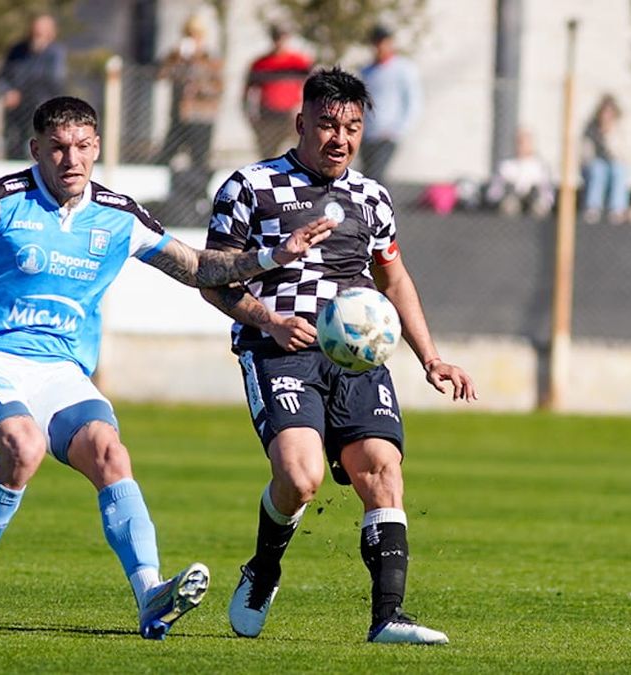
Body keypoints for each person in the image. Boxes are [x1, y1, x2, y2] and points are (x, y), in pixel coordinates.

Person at [0, 96, 336, 640]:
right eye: (57, 148)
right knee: (23, 447)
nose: (71, 159)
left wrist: (271, 257)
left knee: (109, 451)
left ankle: (150, 596)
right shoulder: (0, 201)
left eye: (82, 147)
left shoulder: (119, 215)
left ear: (96, 147)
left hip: (61, 371)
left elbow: (197, 268)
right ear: (35, 149)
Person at [199, 67, 476, 645]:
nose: (340, 139)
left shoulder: (372, 196)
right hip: (279, 349)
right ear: (301, 122)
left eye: (352, 127)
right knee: (300, 479)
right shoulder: (250, 187)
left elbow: (393, 279)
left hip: (357, 356)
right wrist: (270, 321)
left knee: (381, 468)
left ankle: (388, 617)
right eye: (328, 125)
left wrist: (430, 358)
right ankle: (263, 569)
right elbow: (213, 277)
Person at [157, 13, 224, 172]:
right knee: (166, 156)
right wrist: (176, 58)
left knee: (199, 158)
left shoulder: (210, 59)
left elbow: (218, 87)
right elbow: (162, 75)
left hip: (201, 115)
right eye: (189, 35)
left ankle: (198, 184)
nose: (192, 39)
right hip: (179, 115)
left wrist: (199, 87)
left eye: (196, 35)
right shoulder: (178, 57)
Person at [0, 13, 67, 160]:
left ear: (51, 33)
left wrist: (23, 93)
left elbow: (53, 81)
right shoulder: (17, 51)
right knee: (13, 143)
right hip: (16, 108)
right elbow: (3, 76)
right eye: (35, 31)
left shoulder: (55, 54)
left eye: (41, 32)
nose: (37, 36)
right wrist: (8, 91)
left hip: (40, 106)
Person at [359, 24, 421, 184]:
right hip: (367, 135)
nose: (379, 47)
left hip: (387, 135)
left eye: (383, 42)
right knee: (366, 177)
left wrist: (398, 129)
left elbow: (413, 102)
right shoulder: (367, 71)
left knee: (375, 177)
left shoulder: (403, 69)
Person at [243, 23, 313, 159]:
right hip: (268, 118)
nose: (279, 41)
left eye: (282, 37)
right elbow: (247, 92)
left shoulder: (299, 62)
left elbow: (313, 87)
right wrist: (251, 117)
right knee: (268, 158)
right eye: (276, 37)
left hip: (293, 118)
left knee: (305, 155)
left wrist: (305, 111)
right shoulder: (260, 64)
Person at [580, 94, 631, 224]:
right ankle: (593, 208)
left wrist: (608, 137)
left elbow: (624, 155)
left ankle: (617, 210)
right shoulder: (591, 129)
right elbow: (586, 154)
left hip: (616, 165)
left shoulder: (622, 128)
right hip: (596, 167)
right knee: (598, 169)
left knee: (617, 170)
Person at [485, 127, 555, 219]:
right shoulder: (506, 166)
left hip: (534, 207)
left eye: (525, 142)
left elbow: (548, 194)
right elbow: (493, 193)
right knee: (510, 204)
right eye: (519, 142)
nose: (522, 146)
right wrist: (503, 195)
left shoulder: (540, 167)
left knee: (538, 206)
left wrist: (542, 201)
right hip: (512, 206)